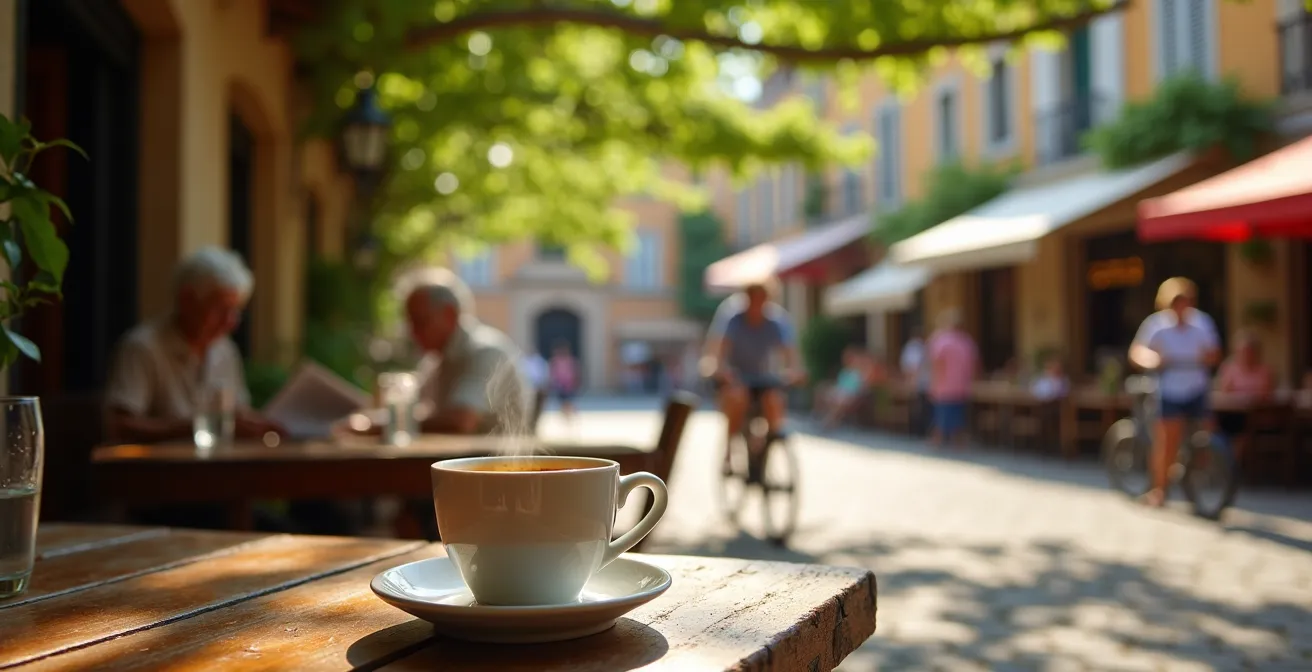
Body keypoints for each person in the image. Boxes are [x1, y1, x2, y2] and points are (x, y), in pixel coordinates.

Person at [104, 247, 284, 444]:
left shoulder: (225, 351)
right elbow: (119, 425)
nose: (231, 321)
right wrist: (197, 428)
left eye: (235, 310)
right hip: (160, 471)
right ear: (187, 300)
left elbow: (239, 412)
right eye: (220, 309)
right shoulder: (143, 347)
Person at [1129, 277, 1222, 508]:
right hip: (1169, 389)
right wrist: (1154, 360)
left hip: (1196, 387)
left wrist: (1206, 357)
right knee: (1168, 440)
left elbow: (1215, 353)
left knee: (1207, 434)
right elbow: (1137, 352)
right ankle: (1159, 490)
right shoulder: (1156, 324)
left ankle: (1198, 477)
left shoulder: (1203, 322)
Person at [402, 268, 529, 435]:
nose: (413, 332)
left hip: (498, 460)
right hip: (465, 457)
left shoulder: (486, 351)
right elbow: (419, 407)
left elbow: (461, 420)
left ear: (449, 315)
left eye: (420, 321)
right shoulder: (439, 360)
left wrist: (395, 422)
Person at [703, 280, 804, 454]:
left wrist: (794, 372)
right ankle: (730, 444)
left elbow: (790, 355)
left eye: (761, 300)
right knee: (738, 398)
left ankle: (767, 441)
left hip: (763, 378)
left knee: (774, 399)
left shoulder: (776, 322)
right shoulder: (734, 320)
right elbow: (720, 352)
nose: (757, 305)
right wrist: (721, 369)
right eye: (753, 300)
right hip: (738, 377)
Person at [927, 308, 978, 448]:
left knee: (942, 415)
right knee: (958, 415)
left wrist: (935, 382)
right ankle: (958, 441)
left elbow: (937, 363)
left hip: (944, 386)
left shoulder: (942, 341)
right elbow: (974, 365)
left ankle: (937, 440)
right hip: (962, 385)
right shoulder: (967, 342)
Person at [1214, 330, 1275, 440]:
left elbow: (1266, 395)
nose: (1245, 355)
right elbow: (1224, 392)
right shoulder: (1229, 369)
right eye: (1241, 351)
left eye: (1248, 351)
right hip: (1233, 415)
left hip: (1258, 417)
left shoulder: (1264, 371)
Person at [899, 332, 931, 435]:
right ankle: (919, 431)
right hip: (920, 384)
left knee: (919, 408)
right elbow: (913, 367)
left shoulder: (914, 348)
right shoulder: (916, 347)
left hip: (919, 384)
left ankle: (918, 432)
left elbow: (912, 367)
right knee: (919, 408)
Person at [548, 342, 580, 423]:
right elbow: (553, 374)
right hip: (560, 386)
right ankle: (567, 418)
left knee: (568, 402)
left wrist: (575, 382)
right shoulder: (556, 361)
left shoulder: (570, 360)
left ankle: (570, 416)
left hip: (569, 386)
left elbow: (575, 372)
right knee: (563, 403)